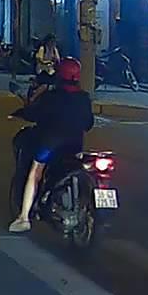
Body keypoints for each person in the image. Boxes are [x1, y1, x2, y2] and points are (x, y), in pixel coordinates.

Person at [8, 57, 95, 233]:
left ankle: (24, 217)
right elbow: (88, 123)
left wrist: (21, 112)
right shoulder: (83, 98)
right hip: (74, 146)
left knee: (35, 172)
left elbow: (34, 114)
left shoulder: (52, 97)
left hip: (51, 145)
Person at [29, 33, 60, 102]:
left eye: (54, 42)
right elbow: (39, 59)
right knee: (45, 85)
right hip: (42, 70)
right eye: (51, 41)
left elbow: (58, 60)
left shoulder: (55, 49)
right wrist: (47, 62)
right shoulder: (42, 48)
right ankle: (33, 97)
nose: (53, 43)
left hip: (51, 70)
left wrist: (56, 61)